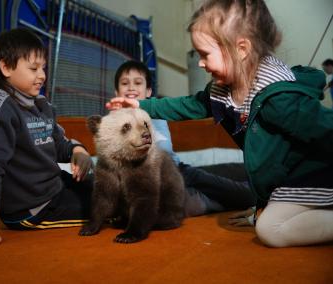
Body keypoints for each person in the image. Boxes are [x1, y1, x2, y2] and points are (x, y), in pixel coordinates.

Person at [107, 0, 333, 247]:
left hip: (315, 177)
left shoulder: (280, 100)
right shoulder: (224, 92)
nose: (201, 63)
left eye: (205, 54)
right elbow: (186, 106)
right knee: (266, 220)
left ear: (241, 49)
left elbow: (325, 129)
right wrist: (142, 105)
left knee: (271, 230)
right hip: (286, 182)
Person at [0, 28, 93, 251]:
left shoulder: (41, 105)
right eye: (33, 68)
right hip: (32, 209)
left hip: (55, 189)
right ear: (6, 67)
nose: (42, 75)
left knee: (108, 187)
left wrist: (78, 150)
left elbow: (60, 143)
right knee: (109, 207)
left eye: (43, 68)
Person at [114, 60, 255, 217]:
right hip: (150, 184)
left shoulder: (154, 114)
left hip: (177, 170)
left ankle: (259, 192)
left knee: (239, 193)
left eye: (138, 83)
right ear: (116, 92)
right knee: (174, 206)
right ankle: (203, 200)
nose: (131, 87)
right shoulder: (113, 122)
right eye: (125, 83)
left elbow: (163, 150)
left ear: (148, 91)